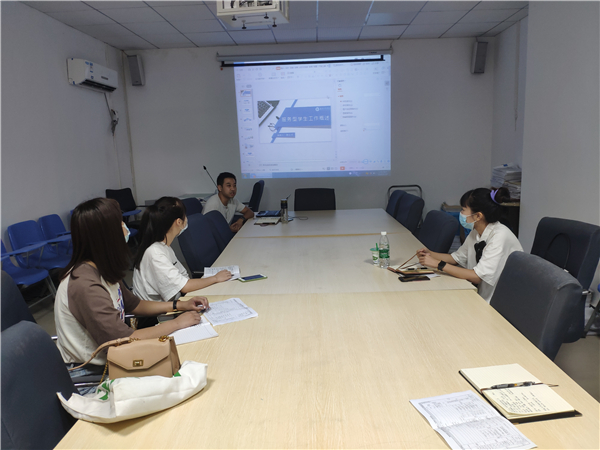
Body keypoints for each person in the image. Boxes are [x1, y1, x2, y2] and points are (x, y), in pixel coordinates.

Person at [55, 198, 208, 375]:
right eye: (120, 224)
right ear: (106, 236)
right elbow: (124, 339)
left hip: (116, 358)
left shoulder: (102, 268)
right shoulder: (85, 284)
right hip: (94, 373)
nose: (125, 228)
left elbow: (135, 304)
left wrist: (180, 305)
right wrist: (177, 323)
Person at [417, 187, 523, 303]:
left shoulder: (499, 236)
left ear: (478, 216)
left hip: (498, 302)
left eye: (463, 210)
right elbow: (456, 258)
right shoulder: (476, 232)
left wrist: (439, 264)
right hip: (479, 294)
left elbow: (476, 277)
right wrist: (430, 254)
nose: (461, 214)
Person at [133, 196, 232, 303]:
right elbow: (184, 287)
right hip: (159, 311)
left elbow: (184, 280)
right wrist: (215, 278)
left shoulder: (164, 246)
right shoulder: (155, 252)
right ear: (179, 222)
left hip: (173, 303)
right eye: (185, 215)